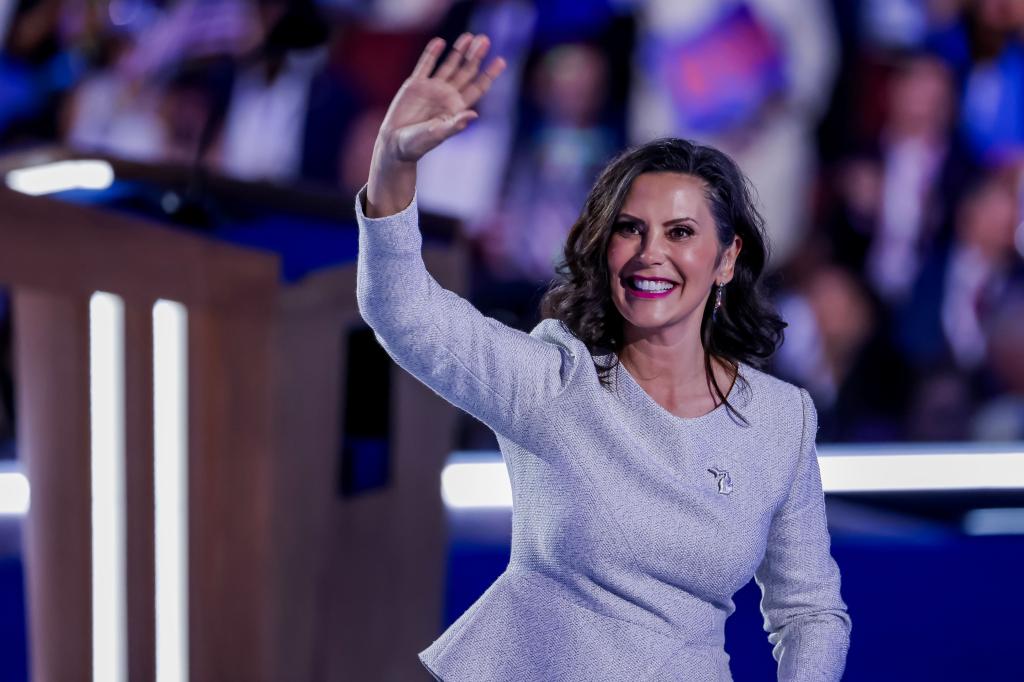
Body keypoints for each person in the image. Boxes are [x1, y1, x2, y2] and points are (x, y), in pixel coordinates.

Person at [356, 32, 851, 681]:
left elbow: (810, 611)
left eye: (680, 233)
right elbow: (407, 314)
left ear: (726, 258)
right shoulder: (556, 380)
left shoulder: (782, 421)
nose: (651, 253)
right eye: (630, 229)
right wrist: (392, 166)